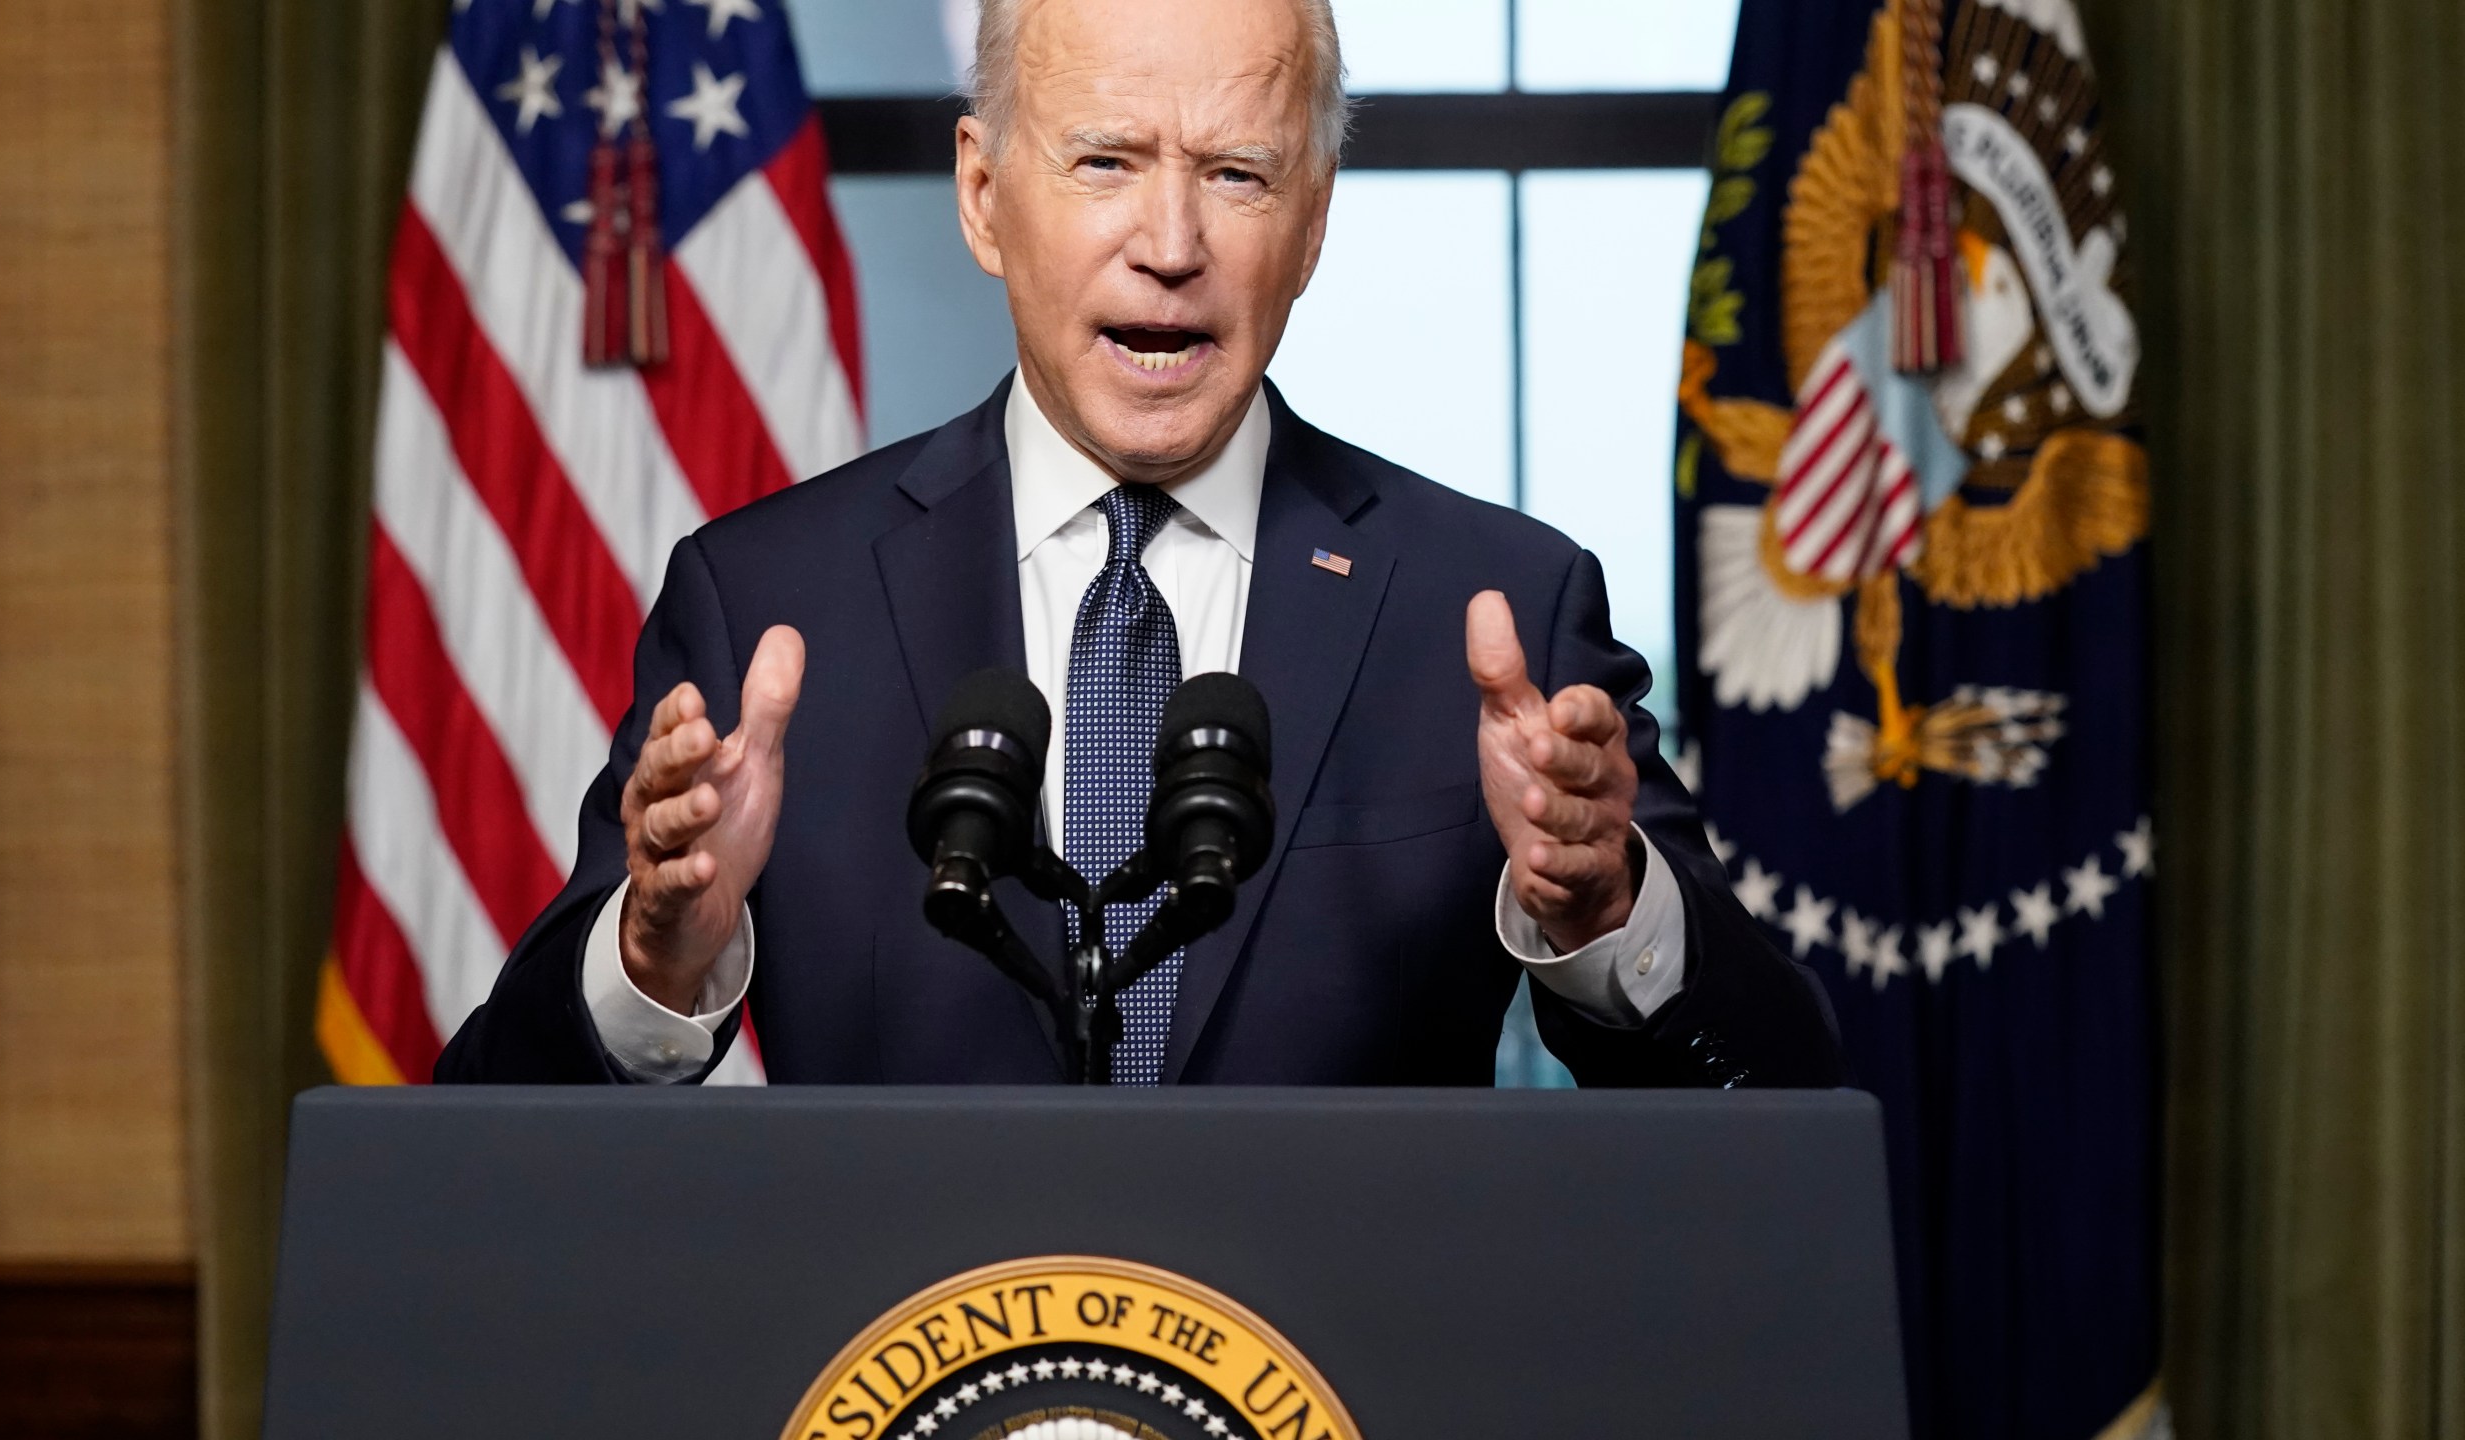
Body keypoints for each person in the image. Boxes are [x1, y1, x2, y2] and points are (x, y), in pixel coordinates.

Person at [436, 0, 1841, 1087]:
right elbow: (502, 1122)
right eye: (1105, 161)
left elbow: (1780, 1087)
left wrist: (1607, 908)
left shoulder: (1495, 616)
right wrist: (658, 957)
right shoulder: (768, 607)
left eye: (1237, 173)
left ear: (1311, 223)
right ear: (985, 198)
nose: (1169, 241)